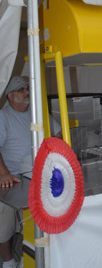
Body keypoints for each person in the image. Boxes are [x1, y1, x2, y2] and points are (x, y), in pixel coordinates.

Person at [0, 76, 61, 268]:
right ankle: (8, 261)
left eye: (28, 88)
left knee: (41, 221)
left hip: (39, 175)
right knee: (5, 225)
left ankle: (32, 257)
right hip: (12, 179)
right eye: (21, 89)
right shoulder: (3, 116)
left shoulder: (37, 112)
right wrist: (3, 174)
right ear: (10, 95)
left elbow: (58, 135)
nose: (27, 92)